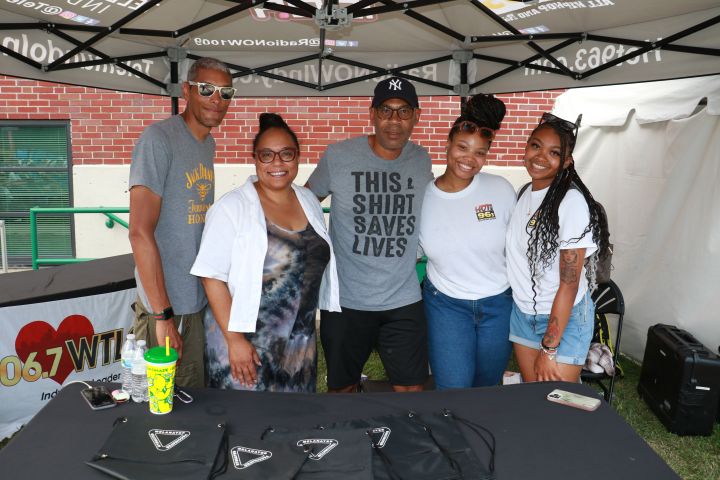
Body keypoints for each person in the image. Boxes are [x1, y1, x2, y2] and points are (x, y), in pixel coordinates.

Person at [191, 113, 340, 392]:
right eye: (267, 155)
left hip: (298, 344)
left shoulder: (308, 200)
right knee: (244, 426)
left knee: (293, 427)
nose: (277, 163)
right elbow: (211, 276)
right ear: (255, 158)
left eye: (286, 154)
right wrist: (235, 341)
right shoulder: (231, 208)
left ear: (297, 157)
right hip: (245, 344)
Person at [306, 77, 433, 393]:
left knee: (412, 392)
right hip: (346, 301)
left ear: (416, 116)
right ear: (372, 114)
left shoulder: (421, 160)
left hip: (403, 297)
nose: (394, 121)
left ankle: (405, 443)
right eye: (386, 111)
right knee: (342, 391)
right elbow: (303, 203)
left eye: (403, 112)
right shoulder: (338, 156)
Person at [128, 57, 234, 388]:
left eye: (226, 92)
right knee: (164, 403)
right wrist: (162, 316)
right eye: (207, 89)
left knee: (192, 397)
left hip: (195, 299)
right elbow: (139, 232)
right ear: (187, 90)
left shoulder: (208, 143)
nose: (217, 100)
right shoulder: (158, 139)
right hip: (168, 306)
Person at [419, 94, 516, 390]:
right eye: (462, 147)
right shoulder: (422, 197)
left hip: (498, 303)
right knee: (452, 389)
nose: (469, 159)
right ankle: (451, 437)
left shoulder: (500, 189)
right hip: (446, 305)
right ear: (447, 145)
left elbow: (519, 249)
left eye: (480, 153)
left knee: (486, 388)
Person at [506, 113, 610, 383]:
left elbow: (569, 283)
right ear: (527, 146)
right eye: (536, 145)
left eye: (554, 152)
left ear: (566, 162)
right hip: (523, 314)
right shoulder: (523, 193)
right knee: (535, 395)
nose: (540, 156)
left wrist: (549, 348)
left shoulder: (571, 202)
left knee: (557, 401)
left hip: (564, 318)